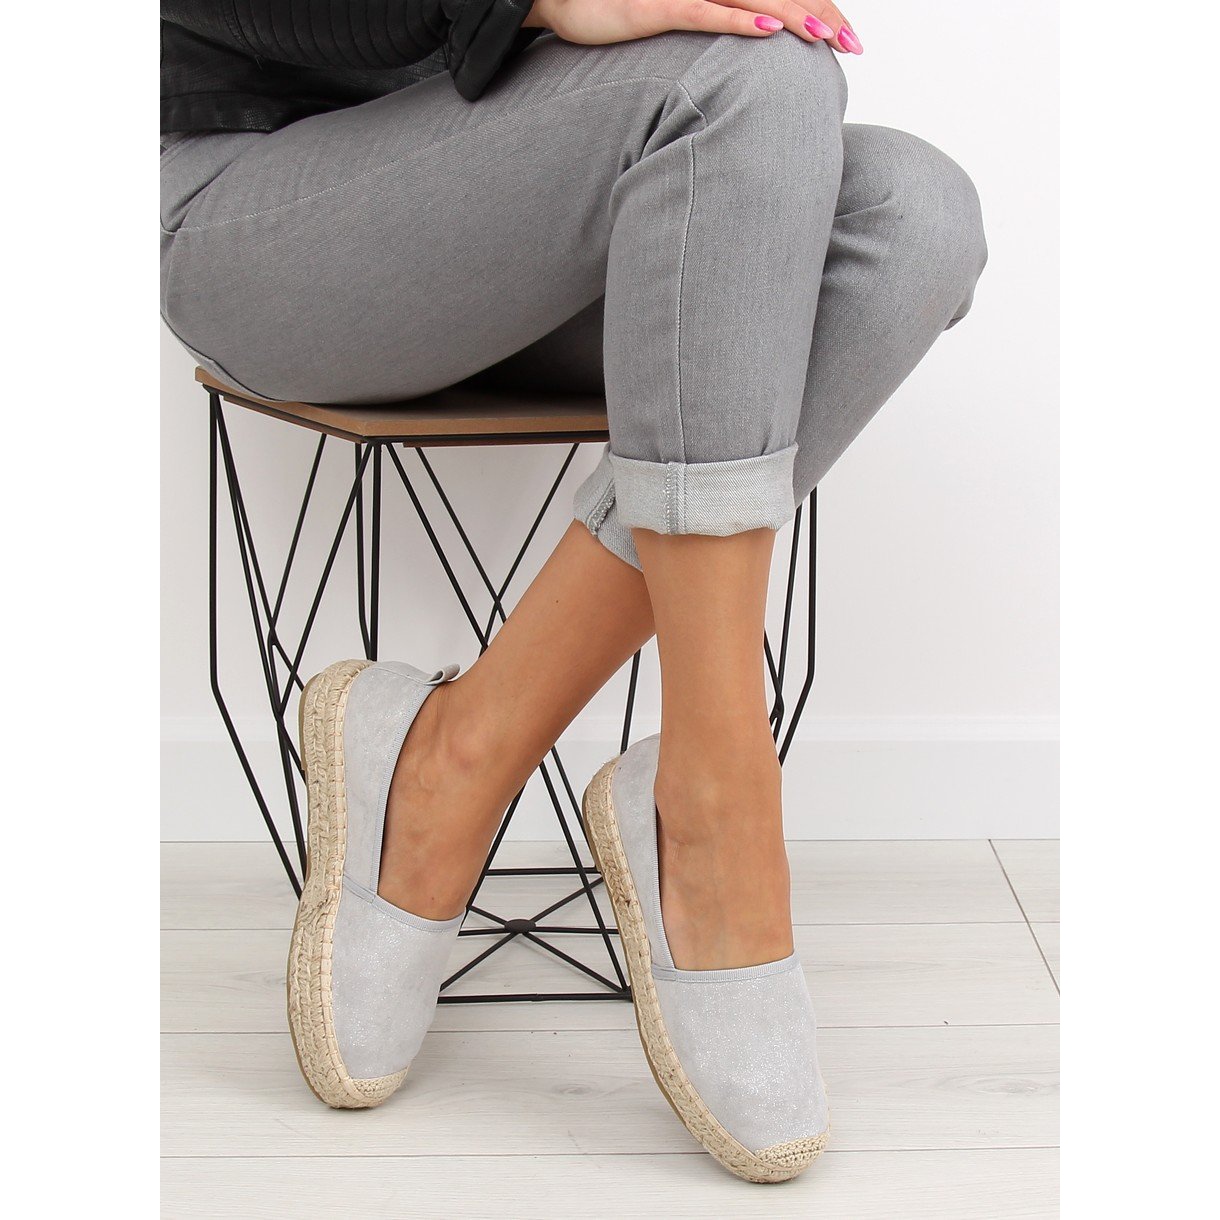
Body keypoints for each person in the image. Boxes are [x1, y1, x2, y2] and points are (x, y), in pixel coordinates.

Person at [162, 0, 986, 1183]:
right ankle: (716, 804)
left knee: (911, 215)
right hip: (252, 213)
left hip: (530, 200)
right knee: (745, 84)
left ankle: (466, 753)